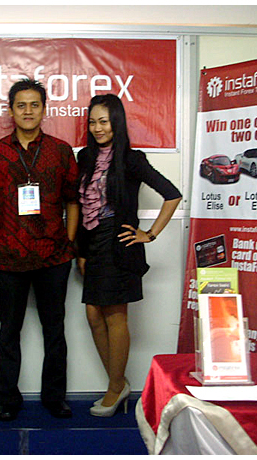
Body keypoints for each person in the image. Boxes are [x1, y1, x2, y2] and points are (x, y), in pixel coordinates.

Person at [0, 79, 79, 421]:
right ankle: (7, 399)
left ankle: (55, 398)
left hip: (54, 256)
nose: (28, 111)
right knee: (9, 332)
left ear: (44, 109)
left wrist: (68, 240)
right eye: (21, 105)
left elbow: (73, 200)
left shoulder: (61, 151)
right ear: (11, 110)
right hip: (10, 258)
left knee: (55, 331)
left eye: (34, 105)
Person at [77, 94, 182, 417]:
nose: (97, 128)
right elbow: (80, 206)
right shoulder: (85, 157)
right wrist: (81, 251)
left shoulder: (131, 159)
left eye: (104, 121)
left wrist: (149, 233)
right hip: (93, 243)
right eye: (92, 122)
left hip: (119, 244)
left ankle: (114, 388)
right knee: (93, 315)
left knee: (115, 316)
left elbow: (172, 195)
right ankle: (119, 383)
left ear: (117, 123)